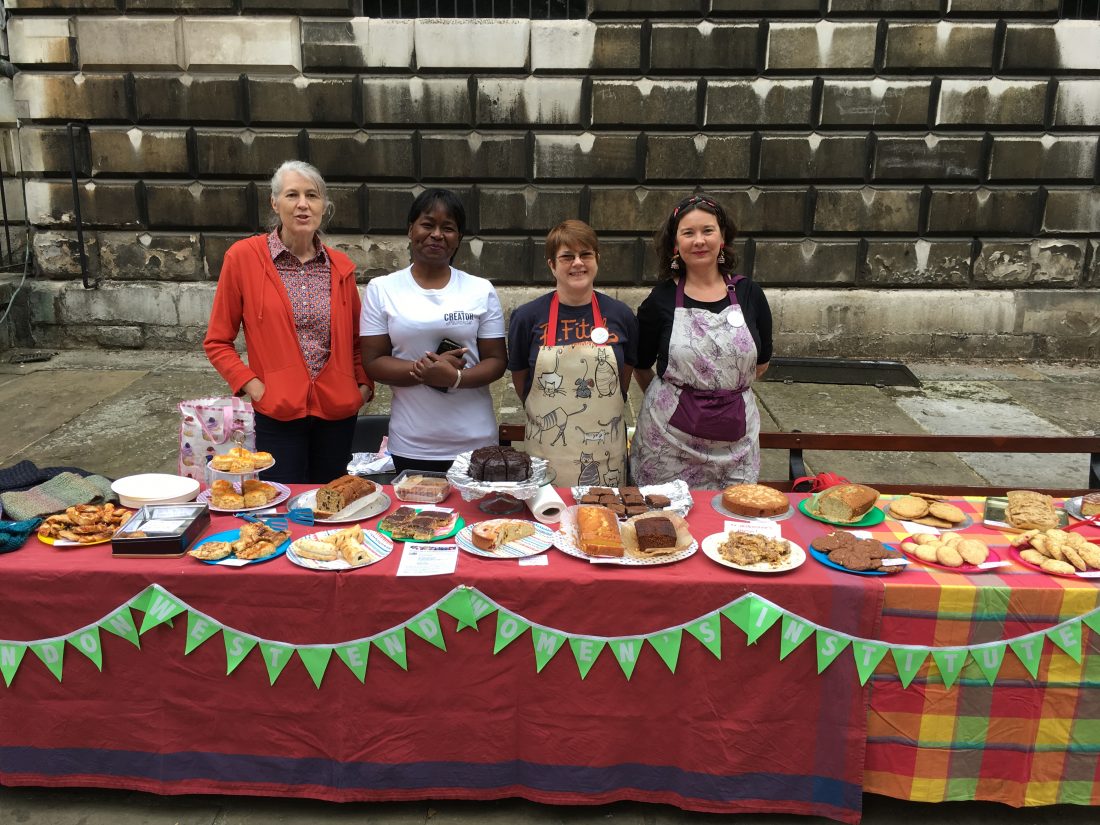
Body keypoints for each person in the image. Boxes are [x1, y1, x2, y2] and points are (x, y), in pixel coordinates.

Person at [203, 160, 373, 484]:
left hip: (337, 412)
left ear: (324, 206)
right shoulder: (243, 258)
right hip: (277, 411)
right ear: (275, 202)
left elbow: (356, 341)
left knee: (332, 502)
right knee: (282, 505)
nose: (303, 204)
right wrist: (254, 387)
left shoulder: (341, 267)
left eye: (313, 195)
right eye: (292, 195)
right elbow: (217, 341)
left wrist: (361, 388)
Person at [359, 189, 507, 473]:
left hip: (475, 441)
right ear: (410, 229)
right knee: (415, 518)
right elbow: (373, 362)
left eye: (448, 228)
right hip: (412, 443)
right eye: (428, 224)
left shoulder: (480, 289)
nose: (437, 234)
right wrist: (422, 370)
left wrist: (456, 378)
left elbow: (497, 361)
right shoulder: (382, 289)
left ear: (459, 238)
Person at [630, 194, 772, 488]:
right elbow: (640, 364)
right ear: (675, 244)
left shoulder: (749, 294)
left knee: (733, 520)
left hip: (736, 444)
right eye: (688, 233)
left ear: (722, 238)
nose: (699, 240)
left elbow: (762, 363)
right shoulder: (661, 300)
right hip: (668, 443)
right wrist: (675, 399)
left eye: (707, 230)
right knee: (663, 523)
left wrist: (722, 395)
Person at [507, 220, 638, 487]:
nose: (577, 263)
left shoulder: (621, 315)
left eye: (585, 254)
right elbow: (522, 382)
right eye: (567, 256)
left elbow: (623, 381)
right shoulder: (527, 317)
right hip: (546, 454)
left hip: (605, 457)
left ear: (597, 259)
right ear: (552, 265)